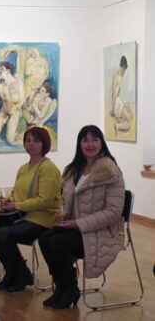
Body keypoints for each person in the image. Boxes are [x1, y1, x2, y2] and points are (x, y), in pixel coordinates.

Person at [38, 125, 125, 309]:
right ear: (79, 144)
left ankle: (70, 289)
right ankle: (62, 287)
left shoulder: (111, 171)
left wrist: (78, 223)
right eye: (85, 140)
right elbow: (65, 201)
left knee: (58, 243)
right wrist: (61, 216)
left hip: (101, 231)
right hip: (76, 226)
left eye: (94, 139)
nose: (89, 144)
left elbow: (113, 212)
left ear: (101, 143)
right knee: (45, 238)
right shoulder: (72, 170)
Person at [0, 127, 61, 292]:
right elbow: (17, 193)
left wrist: (16, 205)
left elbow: (45, 201)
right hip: (22, 216)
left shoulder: (48, 168)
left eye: (36, 141)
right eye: (28, 140)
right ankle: (13, 271)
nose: (31, 144)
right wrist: (9, 201)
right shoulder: (23, 168)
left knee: (3, 233)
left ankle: (20, 272)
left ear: (44, 144)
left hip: (41, 219)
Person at [0, 61, 24, 145]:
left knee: (10, 140)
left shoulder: (18, 82)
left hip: (15, 109)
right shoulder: (0, 86)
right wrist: (5, 112)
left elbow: (21, 99)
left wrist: (16, 107)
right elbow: (4, 101)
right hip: (5, 109)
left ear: (8, 71)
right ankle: (6, 120)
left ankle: (15, 133)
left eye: (2, 69)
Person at [110, 55, 133, 135]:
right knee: (129, 125)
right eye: (125, 70)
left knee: (130, 110)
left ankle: (119, 120)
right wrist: (113, 110)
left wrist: (113, 108)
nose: (124, 73)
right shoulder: (119, 77)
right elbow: (114, 95)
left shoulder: (115, 74)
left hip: (117, 103)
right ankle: (118, 125)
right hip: (117, 104)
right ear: (123, 67)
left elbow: (113, 94)